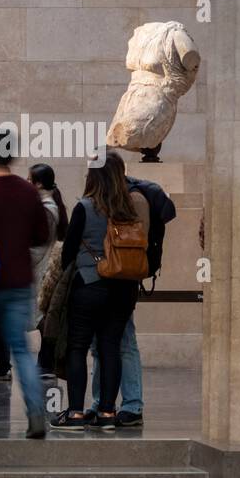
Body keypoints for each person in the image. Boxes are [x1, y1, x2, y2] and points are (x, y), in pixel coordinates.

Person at [51, 153, 149, 431]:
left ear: (93, 176)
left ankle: (75, 414)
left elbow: (67, 253)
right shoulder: (132, 208)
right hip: (124, 288)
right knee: (111, 348)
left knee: (78, 347)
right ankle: (107, 412)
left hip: (90, 284)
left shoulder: (84, 207)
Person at [0, 132, 50, 439]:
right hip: (18, 281)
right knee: (21, 350)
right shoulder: (27, 192)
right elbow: (42, 236)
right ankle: (36, 413)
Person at [88, 164, 176, 427]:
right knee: (101, 344)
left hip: (121, 279)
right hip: (108, 278)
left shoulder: (133, 200)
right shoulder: (111, 199)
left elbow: (136, 244)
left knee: (123, 341)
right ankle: (102, 401)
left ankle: (132, 404)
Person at [28, 165, 67, 377]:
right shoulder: (51, 204)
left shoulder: (46, 207)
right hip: (44, 267)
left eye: (29, 179)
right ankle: (45, 361)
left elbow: (39, 243)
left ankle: (47, 361)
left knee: (43, 317)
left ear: (39, 183)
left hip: (42, 267)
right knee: (43, 315)